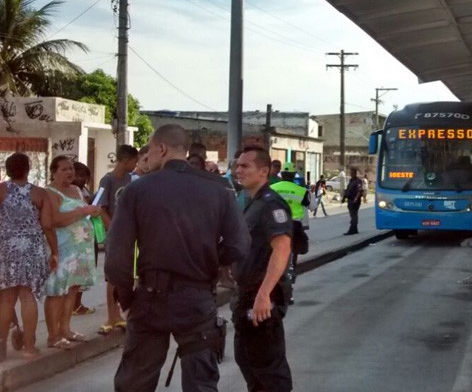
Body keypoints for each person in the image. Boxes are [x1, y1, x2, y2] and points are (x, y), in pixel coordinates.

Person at [105, 124, 250, 392]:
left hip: (149, 298)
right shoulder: (219, 190)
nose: (146, 158)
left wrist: (127, 297)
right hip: (197, 298)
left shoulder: (137, 190)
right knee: (201, 383)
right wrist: (209, 262)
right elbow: (240, 245)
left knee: (134, 382)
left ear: (161, 148)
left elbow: (116, 256)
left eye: (148, 151)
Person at [232, 147, 293, 392]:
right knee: (249, 362)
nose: (238, 170)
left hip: (262, 299)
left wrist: (264, 294)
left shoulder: (270, 204)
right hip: (246, 295)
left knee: (269, 370)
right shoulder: (252, 203)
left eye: (245, 166)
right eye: (237, 165)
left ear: (264, 171)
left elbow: (282, 248)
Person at [0, 153, 58, 361]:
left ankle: (1, 347)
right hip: (32, 248)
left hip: (6, 248)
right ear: (28, 168)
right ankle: (28, 347)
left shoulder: (1, 191)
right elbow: (48, 226)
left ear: (7, 169)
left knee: (6, 299)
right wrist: (55, 252)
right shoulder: (39, 194)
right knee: (27, 296)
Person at [45, 156, 100, 350]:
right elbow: (55, 220)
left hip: (80, 249)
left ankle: (65, 329)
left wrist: (91, 211)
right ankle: (53, 335)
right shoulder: (50, 192)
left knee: (72, 290)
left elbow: (84, 211)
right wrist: (83, 211)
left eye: (71, 169)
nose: (69, 172)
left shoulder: (76, 190)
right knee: (57, 291)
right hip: (62, 248)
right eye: (64, 169)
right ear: (53, 171)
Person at [98, 144, 138, 335]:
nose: (135, 164)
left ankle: (121, 314)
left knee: (126, 274)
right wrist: (114, 228)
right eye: (134, 161)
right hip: (115, 235)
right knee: (112, 277)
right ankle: (111, 315)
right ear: (125, 160)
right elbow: (100, 208)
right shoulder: (107, 180)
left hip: (130, 235)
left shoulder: (132, 180)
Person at [271, 162, 317, 293]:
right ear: (293, 175)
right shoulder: (301, 191)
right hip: (294, 226)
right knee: (292, 258)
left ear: (282, 174)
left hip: (275, 225)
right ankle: (288, 289)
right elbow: (312, 206)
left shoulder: (272, 188)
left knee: (273, 256)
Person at [71, 162, 96, 316]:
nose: (82, 179)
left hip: (85, 235)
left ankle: (76, 304)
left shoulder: (83, 190)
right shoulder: (70, 192)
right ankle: (74, 305)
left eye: (85, 176)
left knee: (82, 273)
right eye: (79, 175)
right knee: (75, 273)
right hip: (75, 237)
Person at [341, 167, 364, 235]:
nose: (351, 174)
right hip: (350, 199)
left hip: (354, 200)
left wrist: (356, 199)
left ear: (355, 173)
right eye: (350, 173)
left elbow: (359, 191)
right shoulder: (351, 180)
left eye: (352, 173)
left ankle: (352, 229)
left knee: (354, 215)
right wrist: (344, 198)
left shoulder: (358, 181)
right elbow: (347, 189)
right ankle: (355, 229)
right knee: (352, 215)